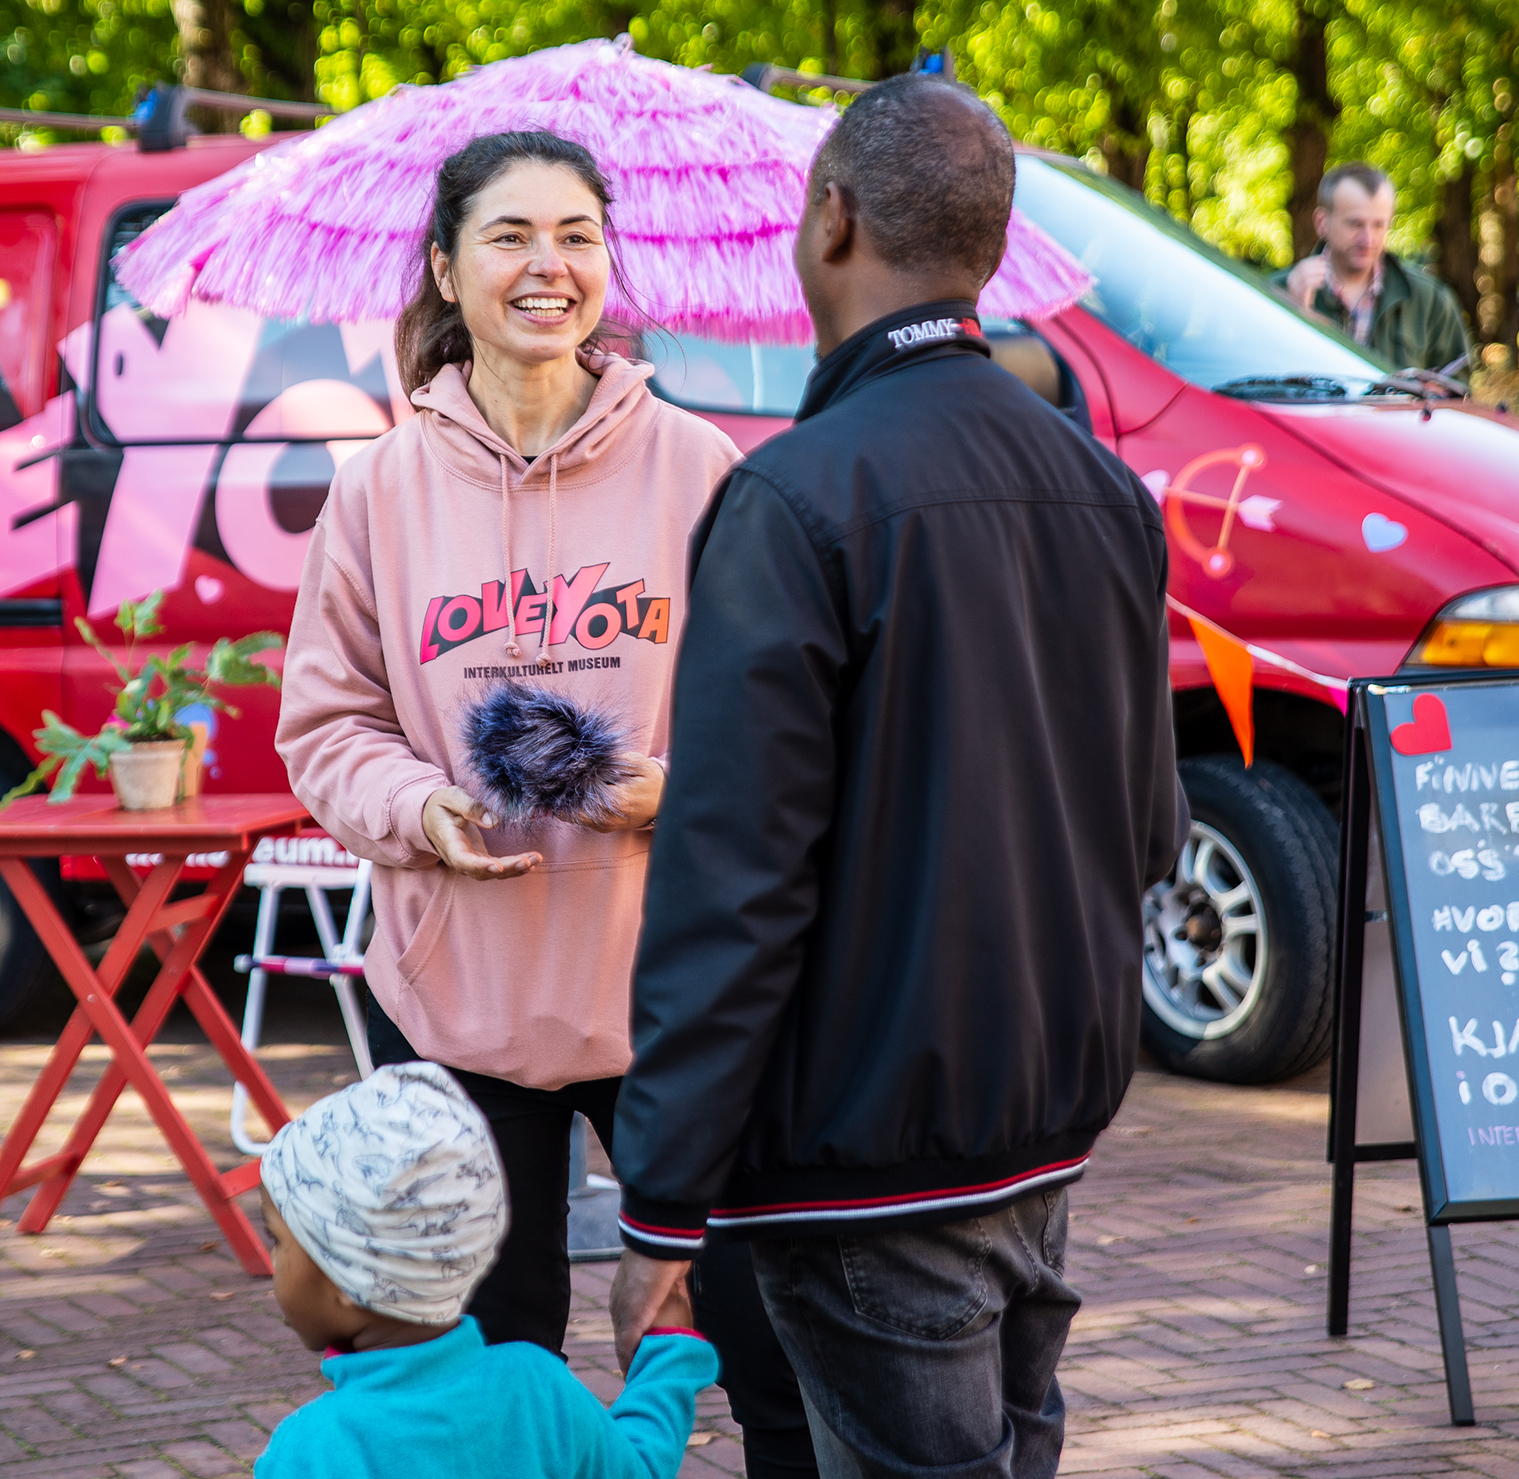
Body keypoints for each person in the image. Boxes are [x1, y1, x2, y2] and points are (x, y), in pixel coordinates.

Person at [608, 74, 1188, 1479]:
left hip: (865, 1162)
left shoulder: (794, 496)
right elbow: (1150, 824)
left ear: (832, 219)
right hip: (1041, 1128)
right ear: (985, 246)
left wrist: (658, 1215)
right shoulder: (1101, 487)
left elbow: (731, 880)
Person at [276, 130, 817, 1477]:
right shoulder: (379, 492)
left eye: (576, 234)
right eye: (511, 235)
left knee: (752, 1340)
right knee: (484, 1364)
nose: (547, 265)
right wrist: (415, 806)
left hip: (673, 996)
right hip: (459, 1002)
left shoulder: (698, 468)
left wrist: (671, 796)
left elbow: (790, 727)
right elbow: (325, 723)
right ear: (447, 267)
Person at [253, 1061, 717, 1478]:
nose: (273, 1262)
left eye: (279, 1240)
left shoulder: (313, 1448)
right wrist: (667, 1358)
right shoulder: (536, 1387)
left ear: (345, 1277)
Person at [1273, 161, 1471, 373]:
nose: (1367, 239)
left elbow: (1458, 390)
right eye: (1355, 224)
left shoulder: (1430, 299)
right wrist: (1296, 318)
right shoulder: (1275, 293)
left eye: (1378, 225)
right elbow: (1257, 384)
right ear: (1322, 222)